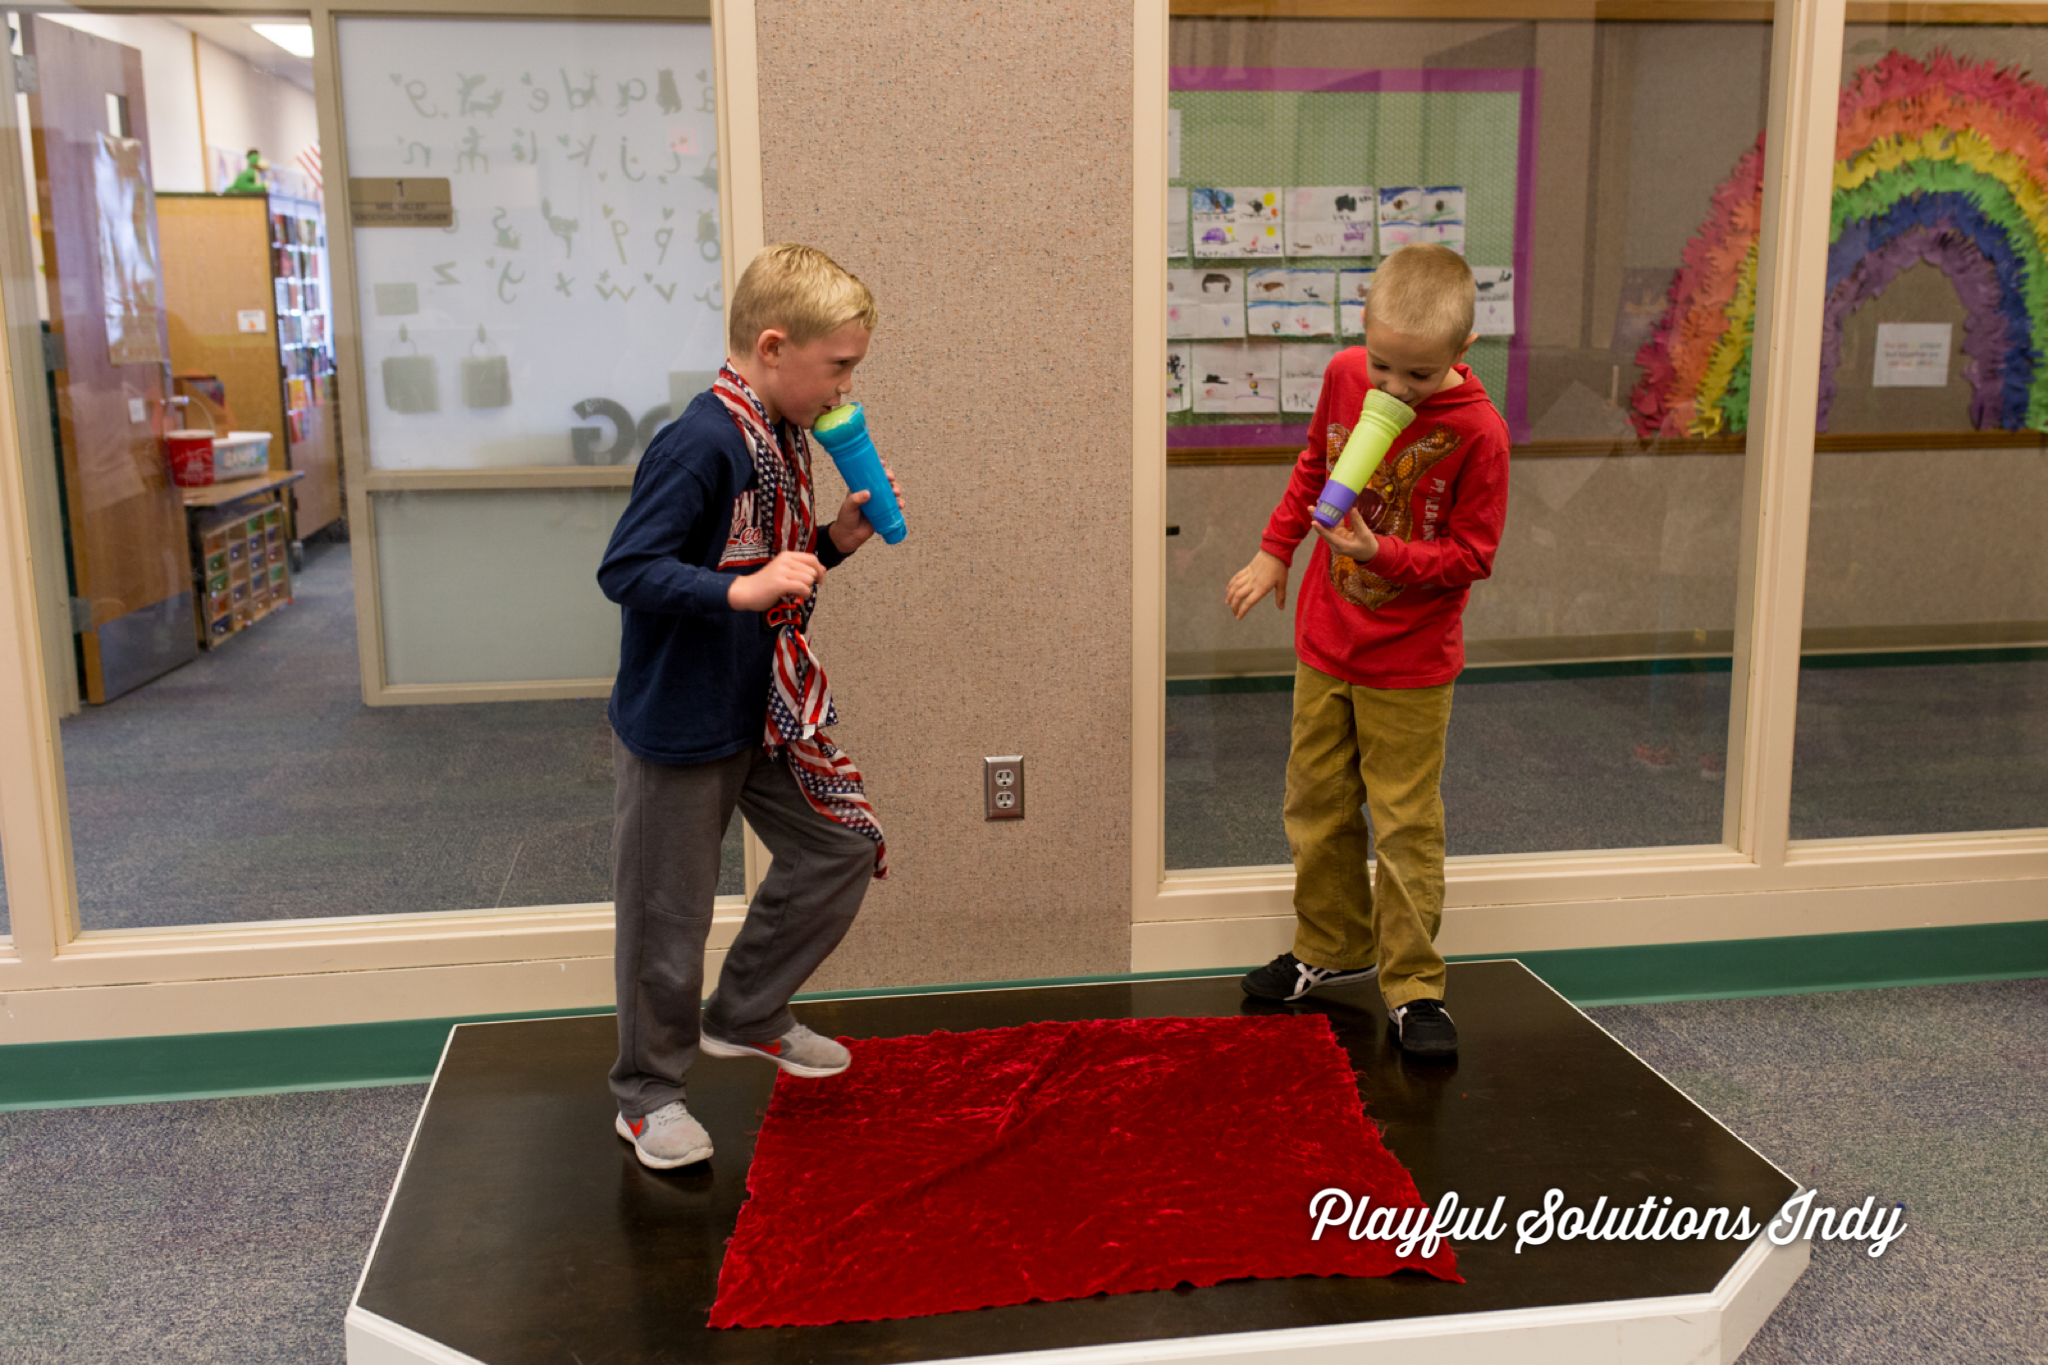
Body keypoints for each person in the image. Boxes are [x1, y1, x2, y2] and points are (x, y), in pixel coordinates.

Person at [597, 243, 898, 1168]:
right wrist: (742, 589)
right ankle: (646, 1093)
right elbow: (629, 569)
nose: (848, 385)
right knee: (668, 918)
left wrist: (830, 544)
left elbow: (763, 562)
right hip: (681, 722)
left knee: (840, 846)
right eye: (838, 366)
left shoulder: (779, 436)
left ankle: (749, 1010)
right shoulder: (701, 440)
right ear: (774, 347)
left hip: (759, 706)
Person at [1223, 243, 1509, 1058]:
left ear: (1461, 355)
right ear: (1364, 338)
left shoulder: (1479, 433)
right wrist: (1276, 551)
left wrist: (1382, 555)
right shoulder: (1348, 373)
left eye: (1417, 377)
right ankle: (1330, 945)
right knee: (1315, 804)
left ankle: (1415, 987)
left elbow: (1471, 555)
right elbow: (1315, 467)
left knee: (1405, 822)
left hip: (1411, 663)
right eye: (1384, 364)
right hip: (1326, 641)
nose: (1393, 389)